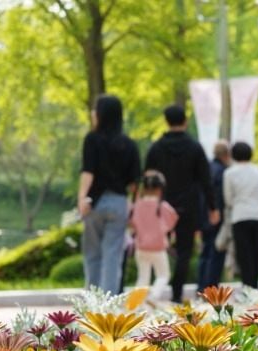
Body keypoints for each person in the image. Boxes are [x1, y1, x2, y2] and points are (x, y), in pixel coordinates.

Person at [145, 105, 216, 302]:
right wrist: (213, 207)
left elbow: (147, 177)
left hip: (161, 206)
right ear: (185, 121)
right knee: (185, 251)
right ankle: (177, 293)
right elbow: (206, 179)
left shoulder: (156, 148)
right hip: (188, 205)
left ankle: (156, 287)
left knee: (157, 247)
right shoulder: (195, 147)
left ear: (166, 121)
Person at [78, 94, 141, 294]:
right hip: (119, 202)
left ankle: (92, 300)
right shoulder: (129, 144)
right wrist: (132, 206)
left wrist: (82, 198)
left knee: (92, 254)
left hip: (94, 203)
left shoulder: (92, 139)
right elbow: (135, 183)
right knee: (113, 255)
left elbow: (88, 172)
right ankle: (109, 302)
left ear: (100, 114)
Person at [216, 142, 258, 289]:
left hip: (240, 217)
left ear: (233, 155)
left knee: (244, 256)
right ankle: (255, 287)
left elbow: (228, 199)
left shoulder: (229, 173)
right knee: (256, 254)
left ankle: (247, 288)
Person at [129, 170, 179, 301]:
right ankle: (154, 296)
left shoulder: (137, 205)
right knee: (163, 275)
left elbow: (131, 222)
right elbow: (173, 219)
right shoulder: (162, 206)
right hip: (158, 247)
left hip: (141, 247)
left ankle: (135, 304)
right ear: (160, 189)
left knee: (143, 277)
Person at [198, 140, 231, 290]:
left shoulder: (206, 168)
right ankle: (211, 288)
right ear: (226, 155)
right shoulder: (224, 172)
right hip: (217, 215)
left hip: (203, 215)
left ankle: (201, 286)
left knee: (205, 252)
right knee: (216, 252)